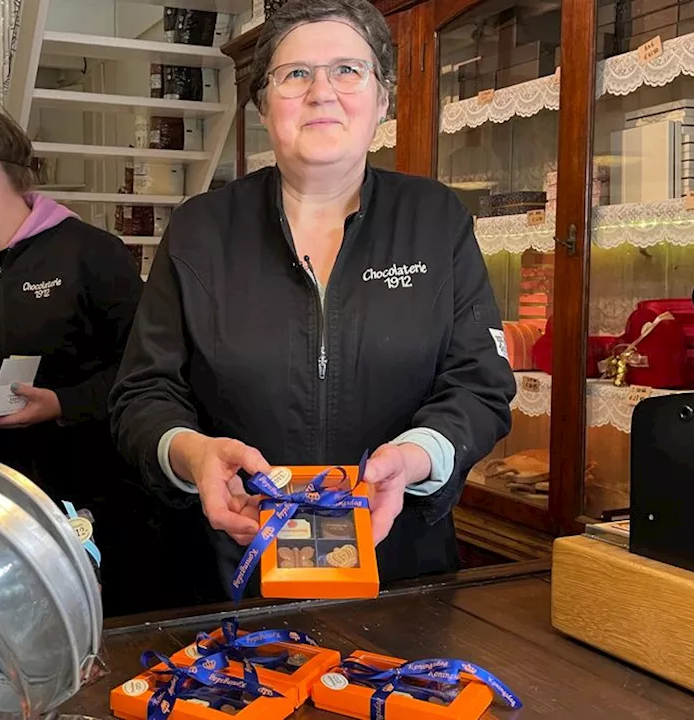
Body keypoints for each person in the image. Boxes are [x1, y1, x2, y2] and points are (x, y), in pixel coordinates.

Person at [109, 0, 517, 595]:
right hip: (230, 572)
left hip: (399, 569)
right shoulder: (200, 231)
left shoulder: (435, 220)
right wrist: (191, 453)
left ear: (382, 99)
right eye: (295, 73)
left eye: (348, 70)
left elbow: (480, 384)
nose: (322, 92)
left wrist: (416, 457)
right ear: (263, 104)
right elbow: (142, 393)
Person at [0, 78, 221, 615]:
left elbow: (149, 376)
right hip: (13, 500)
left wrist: (62, 403)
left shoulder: (91, 254)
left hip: (113, 494)